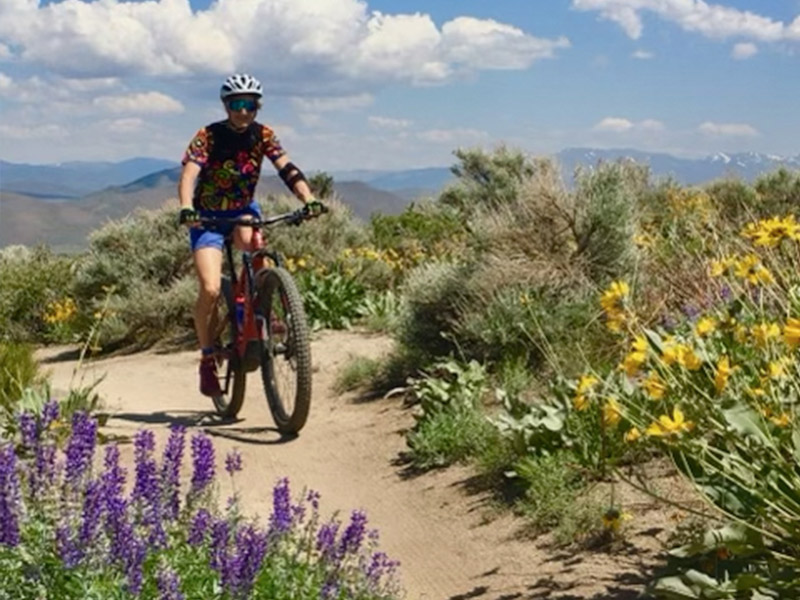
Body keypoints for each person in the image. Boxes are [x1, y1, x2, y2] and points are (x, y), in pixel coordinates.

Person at [178, 73, 324, 397]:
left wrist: (308, 198)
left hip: (243, 210)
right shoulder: (209, 135)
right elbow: (189, 172)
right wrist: (187, 206)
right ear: (226, 105)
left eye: (249, 105)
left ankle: (260, 314)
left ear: (257, 106)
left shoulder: (264, 134)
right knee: (212, 289)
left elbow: (286, 167)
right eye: (236, 104)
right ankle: (206, 357)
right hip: (207, 217)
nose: (243, 111)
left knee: (256, 256)